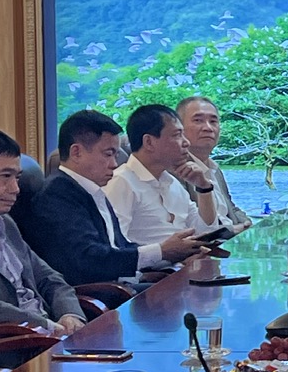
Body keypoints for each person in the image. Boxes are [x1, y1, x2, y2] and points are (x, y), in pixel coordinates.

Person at [28, 110, 208, 286]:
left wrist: (169, 259)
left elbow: (119, 247)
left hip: (121, 283)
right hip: (94, 294)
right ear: (76, 152)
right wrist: (162, 251)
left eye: (116, 155)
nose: (114, 164)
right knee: (185, 290)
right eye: (108, 154)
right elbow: (89, 259)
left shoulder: (91, 190)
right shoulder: (57, 193)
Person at [0, 130, 85, 335]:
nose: (16, 189)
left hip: (48, 334)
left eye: (17, 177)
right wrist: (46, 326)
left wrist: (70, 314)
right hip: (17, 342)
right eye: (5, 176)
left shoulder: (6, 223)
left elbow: (48, 277)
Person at [105, 104, 220, 244]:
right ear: (149, 142)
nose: (186, 143)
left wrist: (204, 187)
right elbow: (114, 245)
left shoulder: (172, 183)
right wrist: (164, 252)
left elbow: (206, 232)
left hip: (186, 258)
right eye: (177, 135)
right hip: (160, 260)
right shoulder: (121, 182)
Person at [176, 96, 251, 232]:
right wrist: (233, 230)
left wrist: (248, 224)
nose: (208, 128)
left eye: (213, 121)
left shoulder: (214, 168)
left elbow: (230, 208)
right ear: (178, 128)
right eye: (198, 120)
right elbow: (189, 225)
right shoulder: (176, 170)